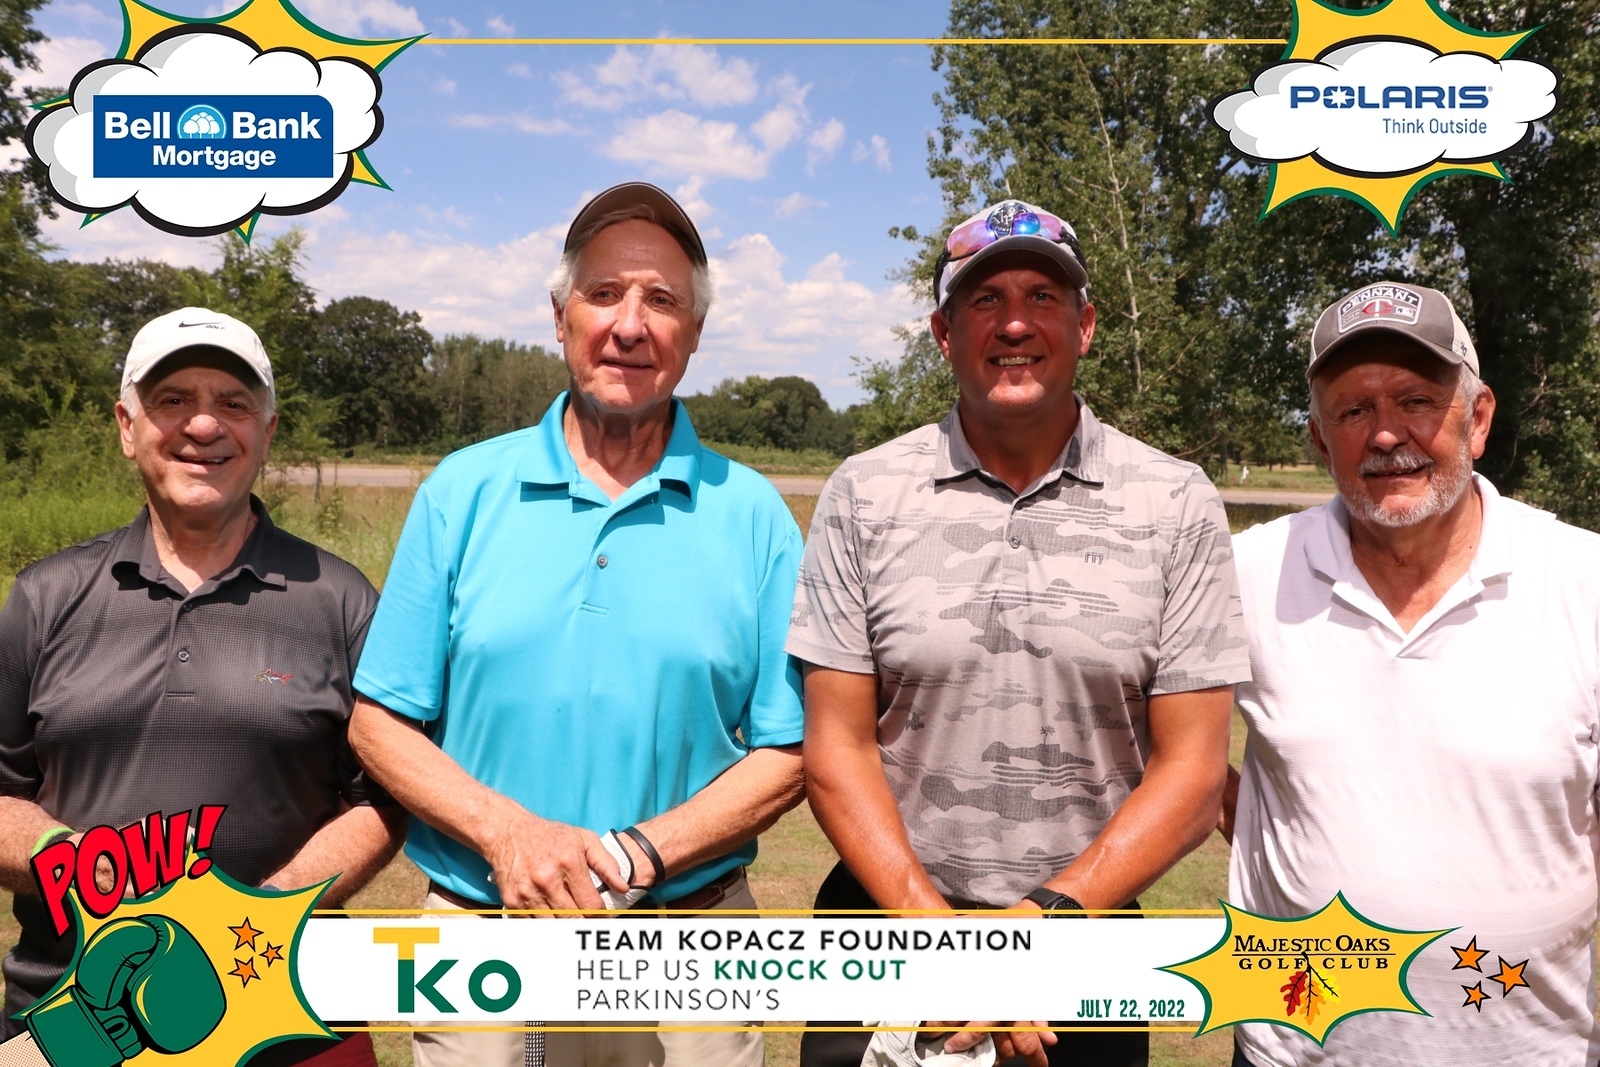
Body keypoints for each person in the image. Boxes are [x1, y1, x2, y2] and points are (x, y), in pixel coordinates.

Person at [347, 182, 806, 1067]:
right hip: (482, 947)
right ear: (560, 318)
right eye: (604, 293)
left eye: (662, 300)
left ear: (695, 334)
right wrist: (507, 833)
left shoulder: (755, 516)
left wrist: (639, 854)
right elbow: (379, 722)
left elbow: (789, 752)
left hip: (690, 951)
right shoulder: (461, 492)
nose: (630, 325)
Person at [788, 199, 1251, 1067]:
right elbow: (835, 747)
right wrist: (941, 945)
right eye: (984, 299)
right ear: (943, 332)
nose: (1014, 323)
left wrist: (1039, 930)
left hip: (1086, 949)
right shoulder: (864, 492)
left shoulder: (1176, 501)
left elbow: (1193, 775)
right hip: (888, 935)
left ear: (1086, 325)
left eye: (1043, 296)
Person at [0, 307, 404, 1067]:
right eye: (174, 399)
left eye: (233, 403)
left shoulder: (343, 600)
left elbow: (382, 799)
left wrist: (261, 913)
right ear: (127, 427)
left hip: (291, 1018)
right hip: (72, 1023)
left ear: (268, 432)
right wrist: (87, 868)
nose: (204, 424)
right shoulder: (45, 598)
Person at [1222, 281, 1600, 1067]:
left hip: (1532, 1050)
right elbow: (1137, 723)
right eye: (1353, 410)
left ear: (1478, 418)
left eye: (1418, 400)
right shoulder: (1248, 572)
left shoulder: (1582, 581)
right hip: (1293, 1049)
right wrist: (1260, 827)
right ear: (1320, 441)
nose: (1387, 433)